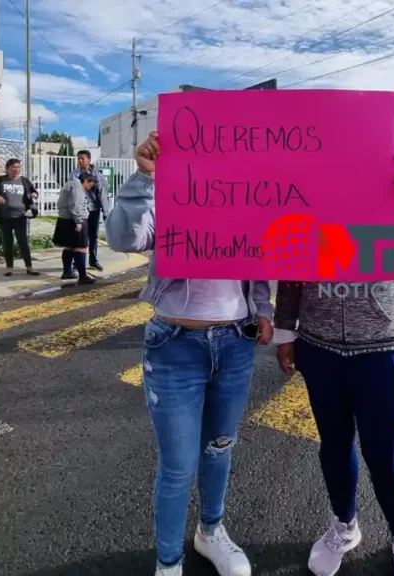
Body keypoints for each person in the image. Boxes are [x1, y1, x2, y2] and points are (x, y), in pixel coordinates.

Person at [274, 155, 394, 576]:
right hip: (319, 347)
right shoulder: (303, 204)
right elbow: (291, 269)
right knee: (334, 447)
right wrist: (286, 330)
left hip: (382, 349)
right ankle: (344, 524)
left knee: (387, 458)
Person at [105, 132, 273, 576]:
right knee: (178, 464)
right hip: (175, 345)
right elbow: (123, 238)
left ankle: (211, 532)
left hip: (236, 344)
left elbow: (259, 267)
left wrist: (264, 310)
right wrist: (143, 178)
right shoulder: (170, 197)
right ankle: (168, 563)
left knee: (219, 446)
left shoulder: (249, 204)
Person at [0, 158, 39, 276]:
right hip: (4, 218)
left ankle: (29, 267)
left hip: (20, 217)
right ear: (7, 169)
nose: (16, 169)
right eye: (13, 167)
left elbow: (34, 191)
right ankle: (9, 268)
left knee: (23, 242)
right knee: (7, 243)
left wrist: (34, 194)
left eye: (18, 167)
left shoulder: (24, 181)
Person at [52, 172, 96, 285]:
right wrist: (78, 221)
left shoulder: (69, 184)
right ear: (86, 181)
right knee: (81, 247)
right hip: (74, 220)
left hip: (65, 219)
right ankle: (83, 276)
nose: (89, 188)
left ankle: (67, 272)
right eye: (90, 185)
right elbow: (75, 204)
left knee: (69, 246)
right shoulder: (78, 187)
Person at [70, 150, 110, 272]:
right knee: (79, 237)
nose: (80, 161)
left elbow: (103, 193)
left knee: (93, 236)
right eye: (78, 159)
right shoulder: (74, 175)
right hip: (80, 210)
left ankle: (93, 260)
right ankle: (77, 263)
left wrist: (106, 211)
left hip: (93, 209)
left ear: (89, 159)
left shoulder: (97, 175)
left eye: (83, 158)